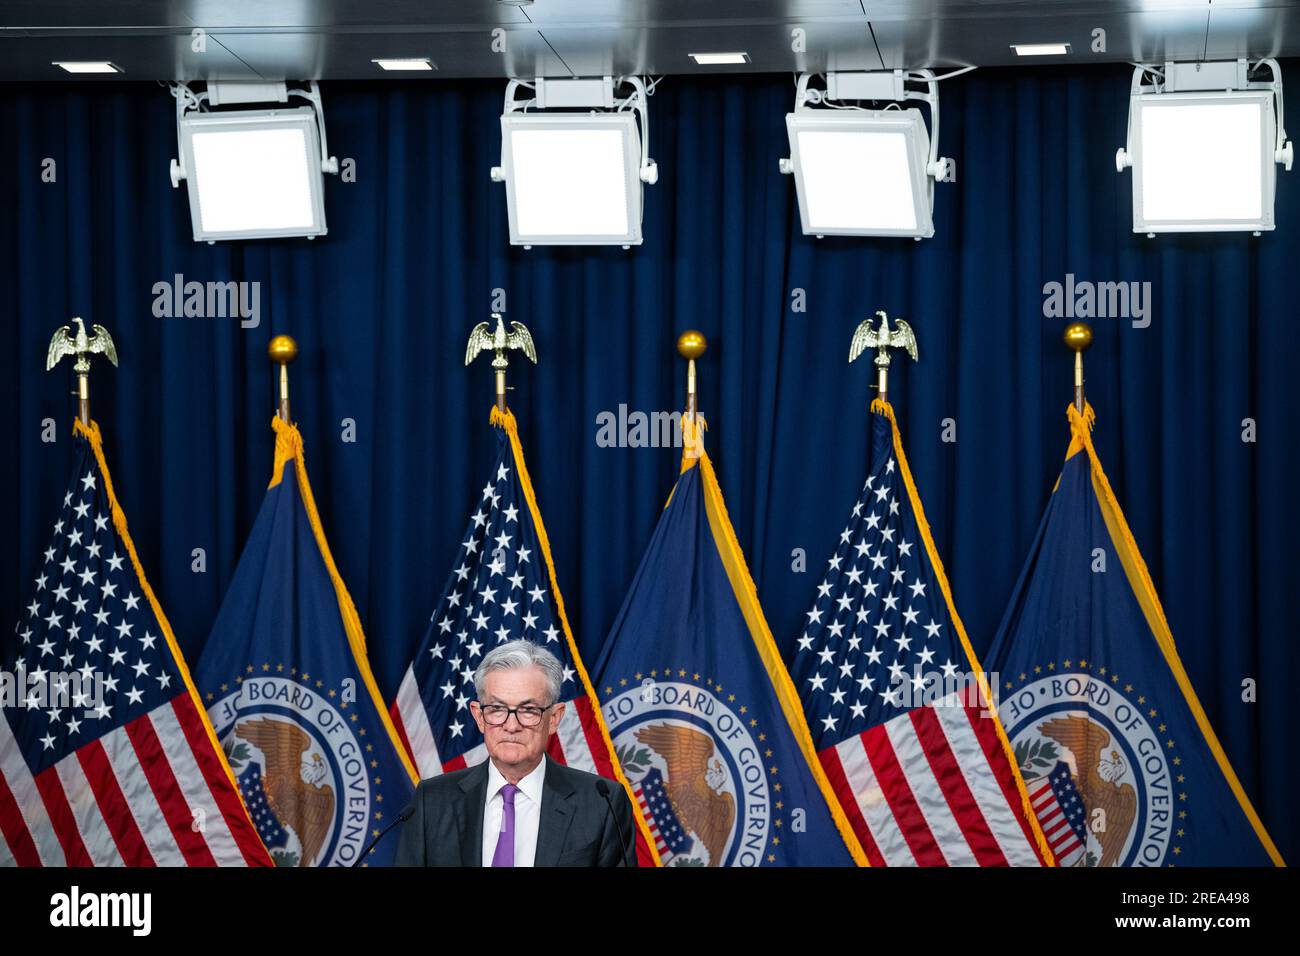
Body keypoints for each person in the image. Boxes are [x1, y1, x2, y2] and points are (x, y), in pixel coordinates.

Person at [393, 639, 637, 866]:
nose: (511, 725)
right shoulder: (432, 801)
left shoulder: (602, 803)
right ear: (479, 716)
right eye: (497, 709)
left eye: (528, 710)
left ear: (554, 718)